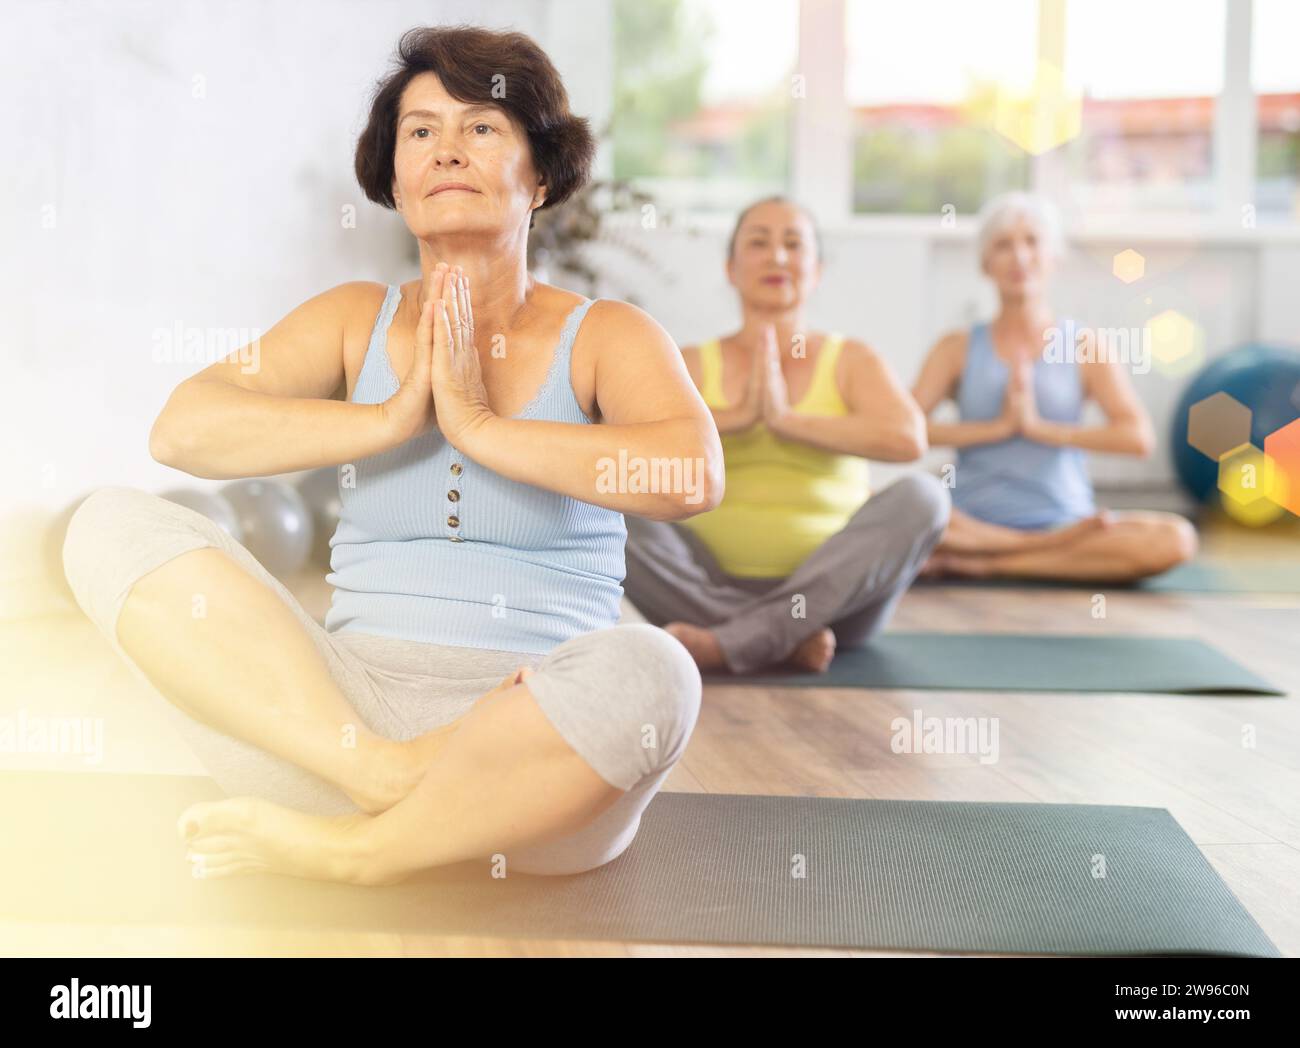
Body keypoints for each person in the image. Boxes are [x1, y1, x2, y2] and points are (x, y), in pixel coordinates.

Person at [61, 25, 724, 886]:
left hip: (530, 756)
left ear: (543, 175)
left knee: (658, 670)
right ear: (398, 184)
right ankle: (381, 788)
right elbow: (182, 431)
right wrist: (389, 416)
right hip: (335, 732)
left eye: (481, 127)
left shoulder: (606, 336)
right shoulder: (352, 317)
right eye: (421, 132)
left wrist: (481, 428)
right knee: (107, 524)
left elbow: (690, 474)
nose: (447, 149)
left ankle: (360, 852)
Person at [623, 197, 949, 676]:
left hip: (836, 601)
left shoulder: (851, 360)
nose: (777, 257)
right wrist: (738, 416)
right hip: (698, 583)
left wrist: (787, 421)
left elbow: (908, 439)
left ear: (815, 270)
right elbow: (631, 446)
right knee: (606, 498)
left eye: (793, 244)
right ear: (731, 268)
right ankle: (775, 638)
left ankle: (735, 638)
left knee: (926, 496)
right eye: (759, 243)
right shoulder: (689, 361)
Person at [911, 192, 1197, 582]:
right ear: (985, 263)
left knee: (1176, 539)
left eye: (1032, 242)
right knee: (893, 507)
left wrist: (1039, 428)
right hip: (969, 523)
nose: (1020, 257)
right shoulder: (955, 347)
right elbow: (902, 429)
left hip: (1063, 522)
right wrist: (996, 429)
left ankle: (986, 562)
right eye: (1003, 245)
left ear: (1053, 259)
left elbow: (1137, 437)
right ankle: (1029, 555)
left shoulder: (1084, 344)